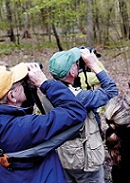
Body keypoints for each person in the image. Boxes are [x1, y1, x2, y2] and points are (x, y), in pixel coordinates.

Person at [0, 62, 87, 183]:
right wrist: (45, 84)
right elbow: (75, 112)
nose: (24, 84)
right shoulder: (24, 127)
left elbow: (18, 112)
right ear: (12, 95)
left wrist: (25, 88)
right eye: (21, 84)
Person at [45, 47, 118, 183]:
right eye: (76, 63)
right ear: (73, 71)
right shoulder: (79, 98)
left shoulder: (48, 92)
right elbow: (112, 92)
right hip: (85, 161)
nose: (78, 65)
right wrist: (93, 64)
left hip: (65, 155)